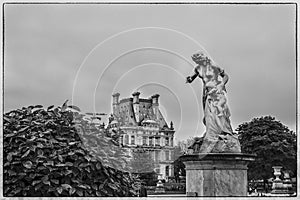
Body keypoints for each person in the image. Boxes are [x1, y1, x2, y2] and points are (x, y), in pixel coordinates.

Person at [186, 52, 241, 153]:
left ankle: (224, 132)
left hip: (216, 91)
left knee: (219, 113)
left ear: (204, 59)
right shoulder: (198, 68)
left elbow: (225, 76)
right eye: (197, 61)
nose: (198, 63)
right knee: (209, 115)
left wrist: (221, 84)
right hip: (206, 93)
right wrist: (189, 79)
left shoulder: (213, 66)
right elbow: (193, 77)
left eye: (199, 60)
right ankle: (211, 133)